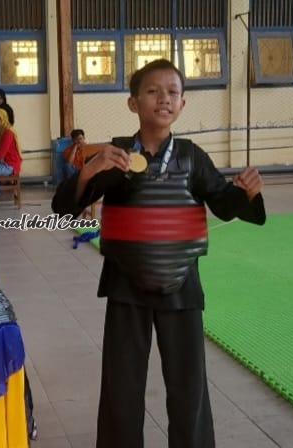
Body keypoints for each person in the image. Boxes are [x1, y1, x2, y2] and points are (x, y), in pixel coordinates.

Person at [51, 59, 266, 448]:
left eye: (172, 92)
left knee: (189, 388)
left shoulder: (192, 156)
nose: (163, 99)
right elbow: (65, 208)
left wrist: (245, 192)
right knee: (121, 386)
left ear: (182, 104)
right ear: (133, 103)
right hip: (125, 286)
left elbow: (222, 202)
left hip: (182, 285)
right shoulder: (116, 155)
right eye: (152, 91)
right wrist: (89, 170)